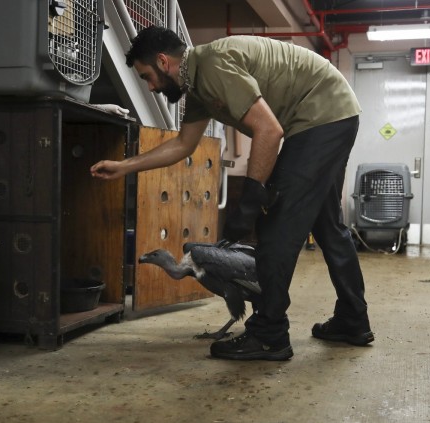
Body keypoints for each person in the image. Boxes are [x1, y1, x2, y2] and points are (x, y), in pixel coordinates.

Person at [90, 26, 374, 361]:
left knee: (276, 226)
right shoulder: (198, 86)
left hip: (319, 116)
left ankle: (269, 334)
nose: (151, 87)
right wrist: (125, 166)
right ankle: (352, 319)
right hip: (333, 111)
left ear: (164, 62)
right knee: (327, 226)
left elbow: (269, 130)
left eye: (147, 76)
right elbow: (183, 145)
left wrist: (252, 197)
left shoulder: (212, 64)